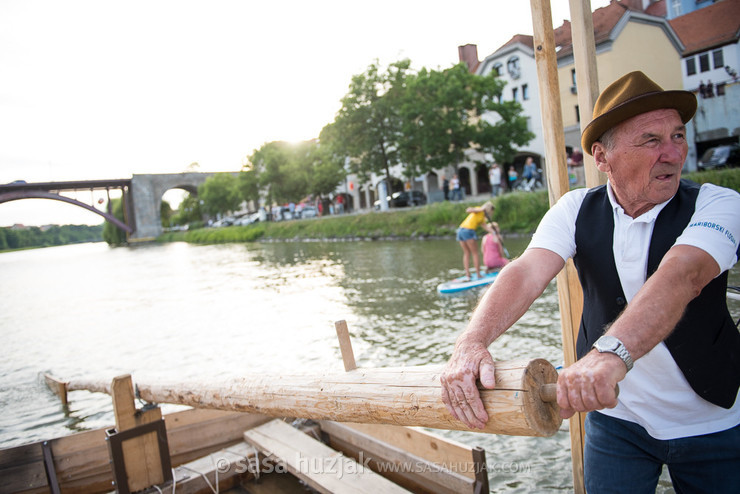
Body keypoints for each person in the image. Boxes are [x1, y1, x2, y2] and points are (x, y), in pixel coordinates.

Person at [440, 71, 740, 492]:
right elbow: (526, 271)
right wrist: (471, 342)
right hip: (618, 420)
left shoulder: (720, 202)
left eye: (677, 136)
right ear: (601, 157)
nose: (674, 154)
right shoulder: (574, 208)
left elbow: (682, 275)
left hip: (712, 420)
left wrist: (607, 355)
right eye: (652, 140)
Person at [456, 201, 496, 280]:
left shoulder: (482, 218)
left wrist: (494, 232)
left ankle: (468, 275)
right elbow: (468, 210)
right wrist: (481, 209)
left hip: (461, 230)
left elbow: (486, 227)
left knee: (467, 253)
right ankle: (478, 275)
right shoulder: (479, 210)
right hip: (468, 231)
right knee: (475, 253)